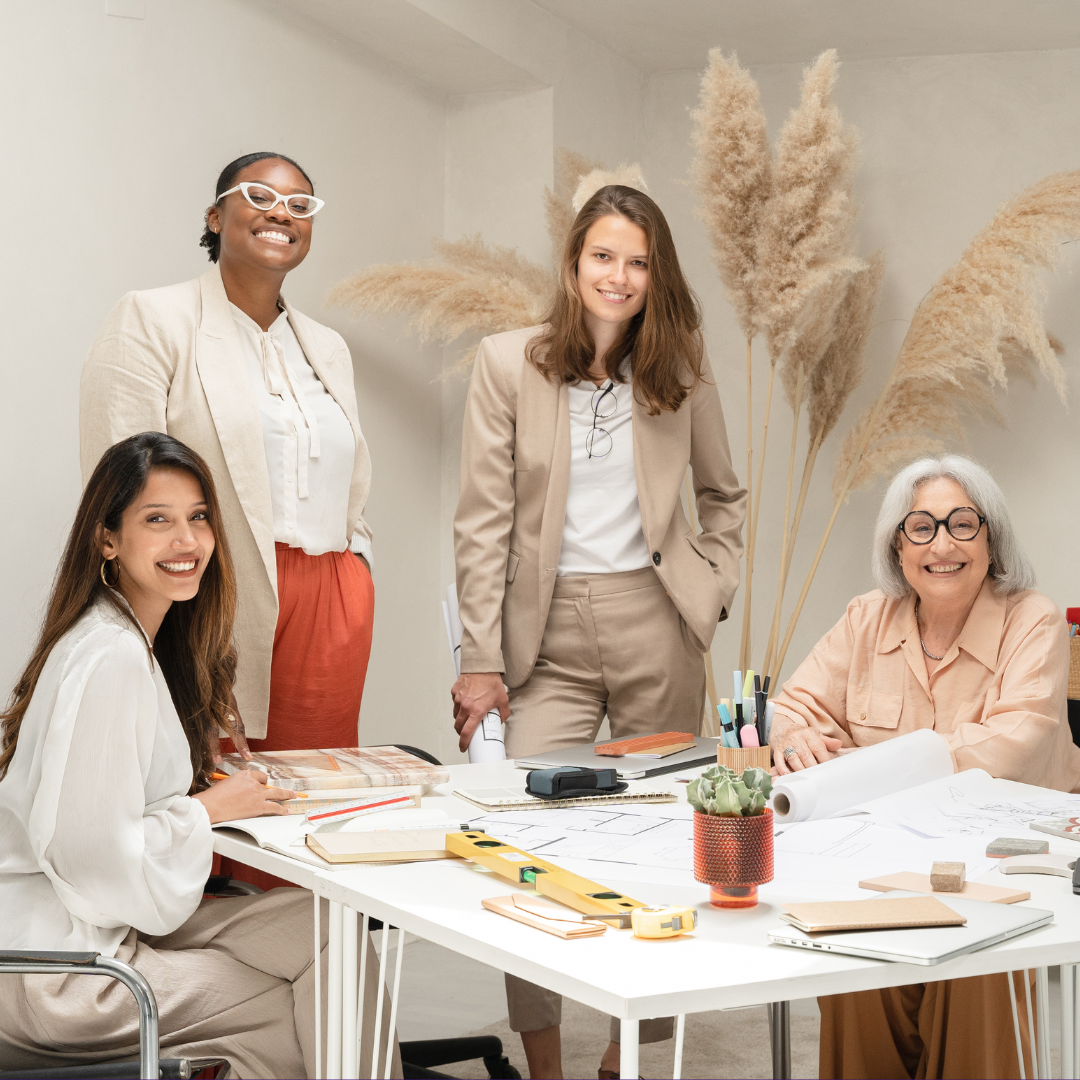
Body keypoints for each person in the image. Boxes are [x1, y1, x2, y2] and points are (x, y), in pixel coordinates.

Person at [451, 184, 746, 1079]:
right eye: (603, 257)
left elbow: (721, 494)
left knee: (659, 838)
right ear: (574, 264)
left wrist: (713, 584)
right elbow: (481, 522)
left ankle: (624, 1061)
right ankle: (544, 1061)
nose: (619, 276)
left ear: (658, 276)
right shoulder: (508, 364)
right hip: (542, 636)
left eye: (639, 261)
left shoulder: (680, 367)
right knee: (522, 840)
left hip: (657, 619)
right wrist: (478, 658)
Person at [0, 433, 397, 1078]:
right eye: (157, 520)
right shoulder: (114, 656)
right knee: (271, 1001)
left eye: (198, 518)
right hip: (55, 976)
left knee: (325, 928)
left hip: (84, 931)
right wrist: (205, 812)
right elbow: (91, 859)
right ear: (108, 540)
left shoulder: (121, 634)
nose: (186, 542)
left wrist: (196, 798)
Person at [769, 454, 1080, 1079]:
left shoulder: (1034, 618)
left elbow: (1005, 748)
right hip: (877, 854)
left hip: (1004, 859)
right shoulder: (865, 616)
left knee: (976, 972)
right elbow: (791, 705)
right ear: (898, 547)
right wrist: (795, 731)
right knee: (855, 968)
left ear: (992, 540)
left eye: (963, 523)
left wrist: (860, 764)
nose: (943, 543)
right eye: (922, 527)